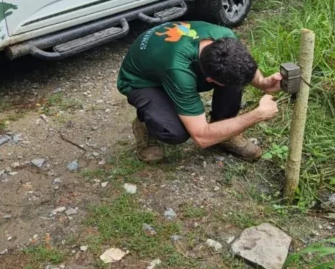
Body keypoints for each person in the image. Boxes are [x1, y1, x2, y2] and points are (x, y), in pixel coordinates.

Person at [117, 21, 282, 163]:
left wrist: (262, 82)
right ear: (208, 79)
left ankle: (225, 134)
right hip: (142, 81)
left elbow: (242, 68)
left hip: (166, 56)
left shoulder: (226, 38)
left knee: (234, 79)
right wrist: (257, 115)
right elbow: (201, 137)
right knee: (176, 132)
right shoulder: (179, 70)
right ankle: (145, 124)